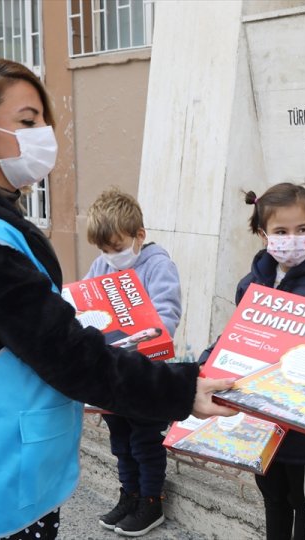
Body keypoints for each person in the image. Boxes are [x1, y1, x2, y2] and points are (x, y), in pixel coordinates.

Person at [0, 58, 234, 540]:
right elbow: (67, 355)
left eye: (43, 119)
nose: (45, 133)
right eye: (27, 121)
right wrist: (180, 390)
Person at [202, 180, 305, 540]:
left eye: (302, 229)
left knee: (303, 499)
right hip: (259, 412)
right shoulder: (252, 284)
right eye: (281, 231)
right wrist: (207, 361)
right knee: (271, 494)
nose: (292, 239)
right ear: (263, 235)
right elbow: (237, 338)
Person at [83, 187, 181, 535]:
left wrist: (140, 336)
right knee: (120, 439)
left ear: (140, 235)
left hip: (143, 370)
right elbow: (86, 303)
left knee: (144, 438)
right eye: (105, 250)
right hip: (110, 372)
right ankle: (130, 494)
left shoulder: (157, 265)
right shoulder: (100, 265)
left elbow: (167, 314)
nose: (112, 256)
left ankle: (151, 502)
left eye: (119, 248)